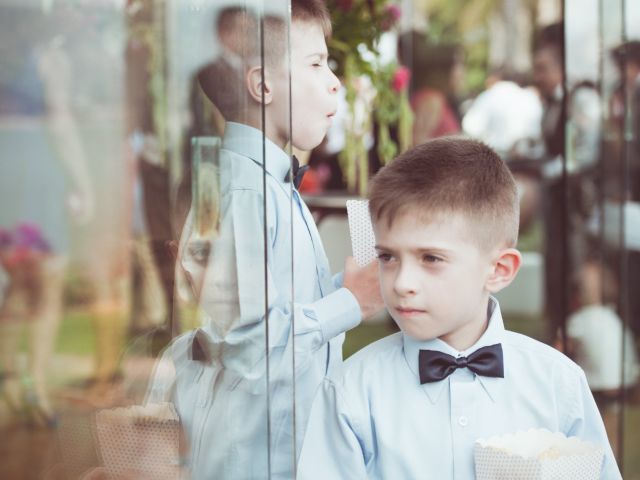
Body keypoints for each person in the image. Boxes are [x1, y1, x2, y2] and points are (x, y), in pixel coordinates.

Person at [141, 2, 383, 478]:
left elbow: (265, 310)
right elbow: (251, 344)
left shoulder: (262, 185)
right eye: (316, 63)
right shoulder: (247, 190)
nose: (334, 80)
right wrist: (349, 304)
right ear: (262, 85)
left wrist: (343, 287)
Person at [297, 137, 621, 479]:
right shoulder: (351, 392)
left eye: (431, 258)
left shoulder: (559, 383)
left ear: (499, 270)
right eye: (388, 256)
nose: (402, 281)